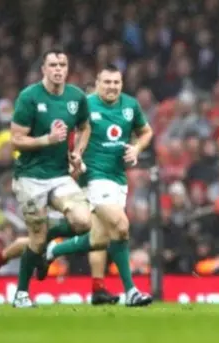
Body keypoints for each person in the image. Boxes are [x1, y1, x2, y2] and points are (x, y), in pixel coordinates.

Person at [42, 64, 154, 306]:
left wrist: (136, 148)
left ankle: (53, 251)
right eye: (107, 82)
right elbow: (67, 134)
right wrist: (74, 157)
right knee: (121, 226)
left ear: (121, 84)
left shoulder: (130, 105)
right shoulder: (85, 105)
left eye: (116, 82)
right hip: (92, 177)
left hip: (118, 179)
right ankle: (131, 292)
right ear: (98, 83)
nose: (112, 86)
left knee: (100, 239)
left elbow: (146, 132)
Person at [2, 49, 92, 308]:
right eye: (53, 64)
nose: (58, 69)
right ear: (43, 69)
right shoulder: (29, 97)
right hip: (29, 177)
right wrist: (47, 140)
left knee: (84, 221)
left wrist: (77, 152)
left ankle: (49, 232)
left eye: (62, 64)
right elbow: (16, 139)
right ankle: (21, 294)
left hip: (59, 176)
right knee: (37, 239)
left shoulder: (76, 97)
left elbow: (85, 127)